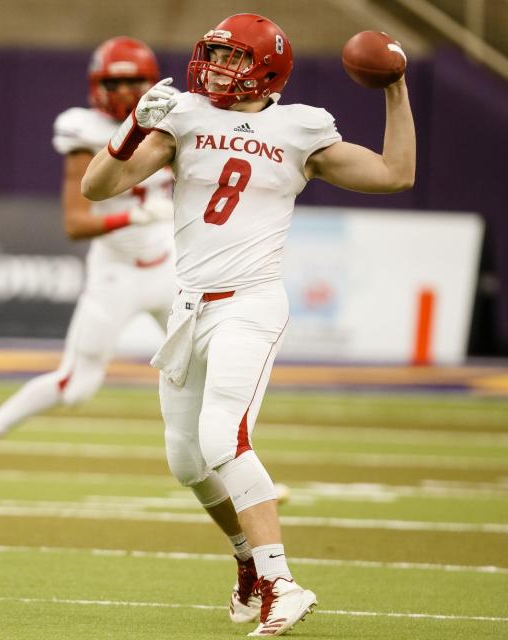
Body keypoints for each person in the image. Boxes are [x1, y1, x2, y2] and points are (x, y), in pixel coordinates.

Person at [82, 14, 415, 637]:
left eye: (233, 58)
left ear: (267, 68)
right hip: (189, 307)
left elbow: (395, 174)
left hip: (250, 303)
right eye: (215, 54)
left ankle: (282, 583)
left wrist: (396, 86)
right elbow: (97, 187)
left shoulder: (300, 128)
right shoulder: (185, 116)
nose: (216, 68)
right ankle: (246, 559)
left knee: (222, 437)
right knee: (185, 461)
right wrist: (134, 127)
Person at [0, 36, 176, 504]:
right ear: (97, 85)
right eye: (116, 81)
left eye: (136, 81)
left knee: (205, 368)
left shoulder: (175, 118)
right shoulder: (83, 130)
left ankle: (242, 474)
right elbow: (75, 223)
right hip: (116, 273)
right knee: (75, 385)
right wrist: (133, 215)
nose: (127, 91)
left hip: (169, 266)